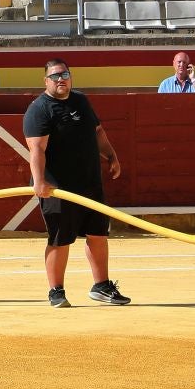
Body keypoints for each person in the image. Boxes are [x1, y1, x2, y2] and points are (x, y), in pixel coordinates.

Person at [23, 59, 129, 308]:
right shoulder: (40, 109)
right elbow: (36, 149)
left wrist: (111, 156)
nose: (61, 79)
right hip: (57, 187)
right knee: (60, 238)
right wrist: (39, 181)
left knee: (98, 234)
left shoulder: (80, 100)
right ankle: (56, 290)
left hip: (90, 181)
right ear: (46, 81)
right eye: (56, 75)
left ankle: (101, 286)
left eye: (65, 74)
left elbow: (98, 132)